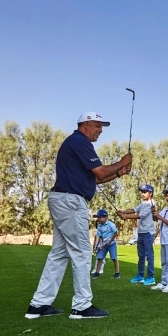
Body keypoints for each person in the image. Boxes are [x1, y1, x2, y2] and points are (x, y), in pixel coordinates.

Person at [25, 111, 131, 320]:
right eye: (98, 126)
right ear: (86, 124)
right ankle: (81, 306)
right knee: (82, 251)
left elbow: (95, 181)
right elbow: (100, 172)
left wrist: (119, 173)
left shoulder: (74, 142)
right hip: (71, 202)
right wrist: (121, 161)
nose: (100, 131)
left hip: (63, 199)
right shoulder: (80, 141)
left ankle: (38, 305)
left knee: (59, 253)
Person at [116, 184, 157, 286]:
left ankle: (151, 277)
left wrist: (125, 216)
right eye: (142, 192)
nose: (142, 194)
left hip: (148, 233)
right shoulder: (143, 203)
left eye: (144, 192)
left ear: (150, 193)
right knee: (141, 256)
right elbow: (134, 210)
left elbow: (140, 215)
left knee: (149, 256)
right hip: (141, 232)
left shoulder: (152, 204)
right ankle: (140, 276)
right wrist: (122, 212)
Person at [91, 209, 120, 279]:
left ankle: (117, 273)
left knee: (114, 258)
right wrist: (101, 245)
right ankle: (97, 272)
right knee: (100, 258)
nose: (99, 219)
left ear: (106, 217)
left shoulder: (111, 225)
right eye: (98, 218)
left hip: (111, 243)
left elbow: (116, 233)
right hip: (104, 244)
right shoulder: (99, 226)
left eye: (100, 217)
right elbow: (100, 236)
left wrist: (110, 241)